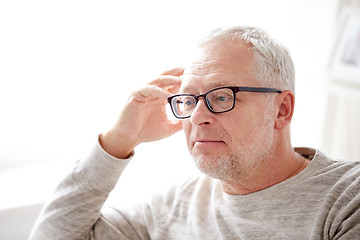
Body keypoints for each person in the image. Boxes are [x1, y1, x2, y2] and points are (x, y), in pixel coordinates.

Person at [29, 26, 360, 240]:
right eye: (189, 99)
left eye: (221, 97)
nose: (198, 116)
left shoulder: (347, 200)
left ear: (281, 110)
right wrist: (118, 141)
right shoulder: (173, 206)